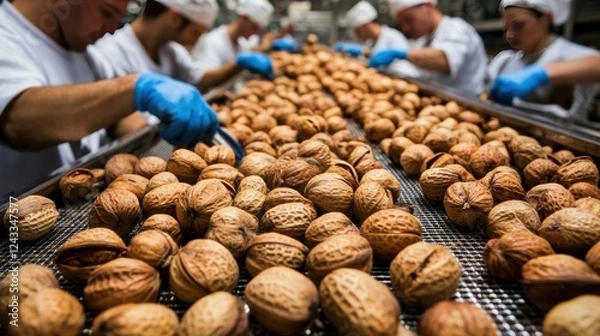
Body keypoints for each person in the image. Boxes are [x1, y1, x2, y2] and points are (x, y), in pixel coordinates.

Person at [0, 0, 218, 196]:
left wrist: (158, 134)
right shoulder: (7, 37)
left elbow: (117, 118)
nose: (113, 30)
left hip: (77, 204)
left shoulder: (88, 56)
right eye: (107, 11)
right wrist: (133, 88)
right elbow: (19, 121)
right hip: (14, 227)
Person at [94, 0, 274, 93]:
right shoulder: (110, 54)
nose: (196, 42)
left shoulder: (171, 51)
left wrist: (239, 64)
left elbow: (200, 77)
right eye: (196, 33)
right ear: (174, 18)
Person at [488, 0, 599, 120]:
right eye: (506, 27)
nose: (509, 35)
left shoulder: (566, 54)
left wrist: (539, 74)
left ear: (547, 18)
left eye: (519, 25)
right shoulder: (504, 62)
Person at [369, 0, 487, 94]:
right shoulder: (423, 41)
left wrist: (404, 54)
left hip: (469, 104)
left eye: (408, 19)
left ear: (428, 7)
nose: (405, 28)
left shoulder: (456, 29)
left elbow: (445, 60)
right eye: (402, 23)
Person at [194, 0, 298, 74]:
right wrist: (238, 64)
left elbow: (251, 50)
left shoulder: (241, 41)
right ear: (243, 18)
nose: (255, 33)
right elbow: (204, 78)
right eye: (254, 27)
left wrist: (273, 46)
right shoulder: (213, 42)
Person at [336, 1, 409, 58]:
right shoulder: (370, 43)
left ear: (366, 25)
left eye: (358, 31)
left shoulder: (393, 37)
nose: (357, 36)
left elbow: (403, 67)